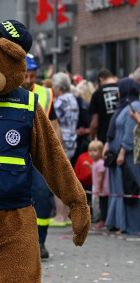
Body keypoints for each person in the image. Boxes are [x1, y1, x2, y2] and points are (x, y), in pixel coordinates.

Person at [22, 55, 60, 259]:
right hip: (13, 156)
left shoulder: (45, 94)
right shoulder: (5, 90)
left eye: (32, 76)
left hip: (38, 157)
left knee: (42, 197)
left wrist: (58, 154)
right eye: (25, 75)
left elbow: (54, 126)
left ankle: (40, 241)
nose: (28, 80)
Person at [105, 78, 140, 235]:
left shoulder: (135, 106)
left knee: (129, 188)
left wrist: (123, 151)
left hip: (127, 157)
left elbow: (131, 131)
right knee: (120, 190)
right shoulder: (124, 106)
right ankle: (120, 223)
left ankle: (130, 225)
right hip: (118, 155)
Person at [50, 73, 79, 226]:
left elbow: (52, 120)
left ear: (59, 87)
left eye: (54, 86)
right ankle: (67, 214)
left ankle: (60, 216)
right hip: (72, 140)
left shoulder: (60, 101)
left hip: (61, 142)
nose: (53, 89)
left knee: (57, 178)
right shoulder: (73, 99)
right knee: (67, 178)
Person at [89, 69, 119, 143]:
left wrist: (92, 138)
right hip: (121, 136)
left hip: (104, 137)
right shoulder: (122, 89)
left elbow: (95, 123)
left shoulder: (97, 93)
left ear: (100, 79)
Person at [89, 139, 108, 228]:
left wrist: (99, 189)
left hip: (103, 189)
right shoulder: (95, 162)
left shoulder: (101, 163)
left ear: (101, 152)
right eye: (90, 150)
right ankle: (101, 219)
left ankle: (102, 220)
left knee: (102, 205)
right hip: (98, 188)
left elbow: (100, 177)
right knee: (100, 204)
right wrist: (89, 166)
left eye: (95, 150)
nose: (92, 153)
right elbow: (95, 173)